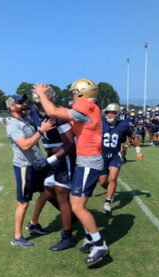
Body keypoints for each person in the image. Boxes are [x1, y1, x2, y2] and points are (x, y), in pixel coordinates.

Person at [33, 79, 108, 264]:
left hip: (89, 161)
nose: (72, 95)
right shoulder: (90, 107)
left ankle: (100, 245)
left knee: (77, 207)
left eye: (75, 92)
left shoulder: (87, 107)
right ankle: (91, 238)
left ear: (81, 93)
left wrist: (42, 93)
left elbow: (52, 111)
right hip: (85, 160)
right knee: (76, 203)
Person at [28, 85, 77, 251]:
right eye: (38, 103)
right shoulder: (33, 112)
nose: (40, 107)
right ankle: (71, 216)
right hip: (51, 157)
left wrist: (51, 160)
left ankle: (68, 237)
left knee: (61, 193)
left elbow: (70, 144)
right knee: (47, 190)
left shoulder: (59, 114)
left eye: (43, 103)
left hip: (65, 157)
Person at [5, 94, 55, 248]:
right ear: (12, 107)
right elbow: (25, 145)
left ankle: (33, 224)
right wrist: (41, 131)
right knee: (23, 203)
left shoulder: (26, 119)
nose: (23, 104)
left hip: (37, 164)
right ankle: (17, 237)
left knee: (47, 192)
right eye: (20, 103)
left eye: (23, 102)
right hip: (24, 167)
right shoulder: (12, 125)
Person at [98, 103, 144, 213]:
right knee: (102, 182)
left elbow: (134, 136)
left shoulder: (123, 125)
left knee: (113, 178)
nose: (109, 115)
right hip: (102, 155)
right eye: (108, 112)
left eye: (112, 113)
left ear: (117, 114)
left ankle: (108, 202)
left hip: (115, 155)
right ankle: (111, 191)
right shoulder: (101, 123)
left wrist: (138, 151)